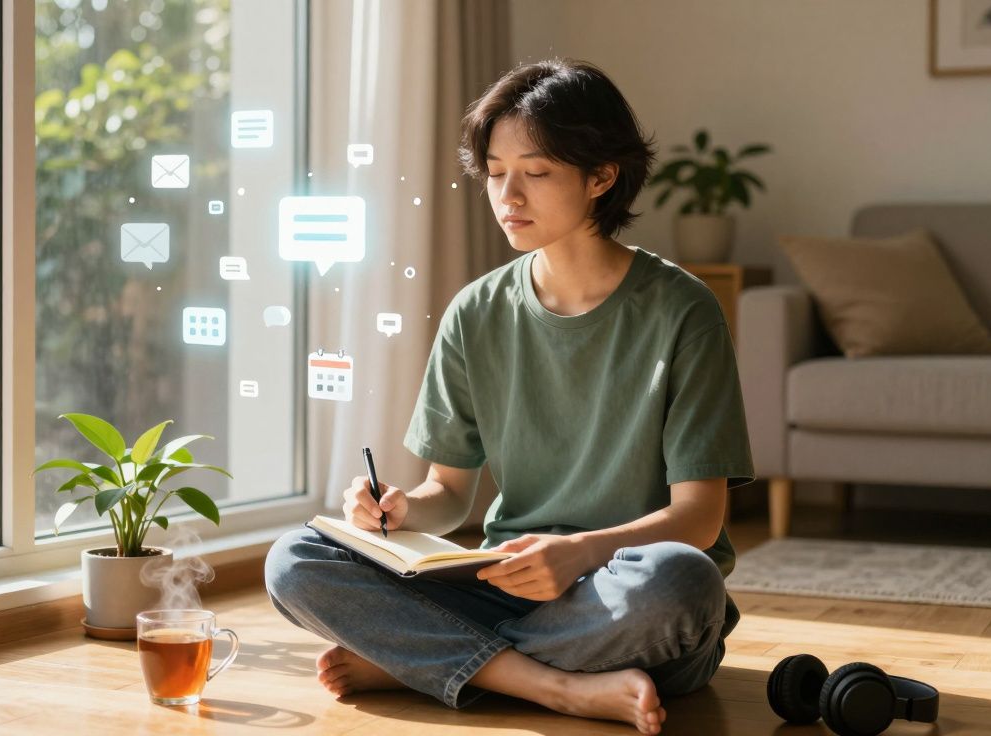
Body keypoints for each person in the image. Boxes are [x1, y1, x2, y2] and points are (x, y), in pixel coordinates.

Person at [264, 58, 754, 735]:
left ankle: (428, 661)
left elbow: (699, 518)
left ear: (602, 176)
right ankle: (552, 686)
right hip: (500, 589)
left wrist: (581, 552)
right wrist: (402, 509)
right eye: (495, 173)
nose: (508, 196)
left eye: (536, 172)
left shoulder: (683, 313)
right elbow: (450, 492)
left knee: (682, 582)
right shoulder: (476, 312)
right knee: (293, 561)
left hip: (620, 599)